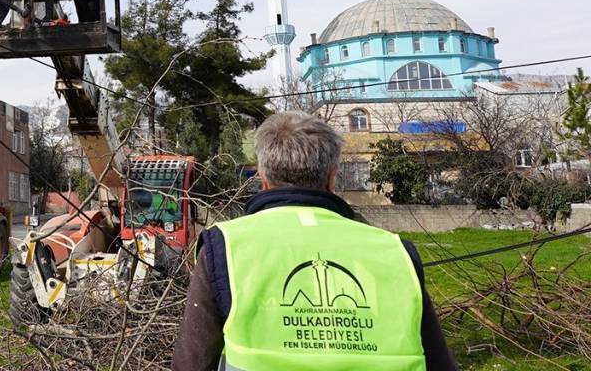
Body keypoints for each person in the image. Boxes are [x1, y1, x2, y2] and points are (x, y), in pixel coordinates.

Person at [173, 112, 457, 371]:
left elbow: (191, 364)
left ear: (262, 177)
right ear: (332, 178)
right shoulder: (395, 252)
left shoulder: (226, 246)